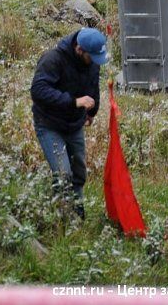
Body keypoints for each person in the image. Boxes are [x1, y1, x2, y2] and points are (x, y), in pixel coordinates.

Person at [30, 27, 108, 219]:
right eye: (92, 57)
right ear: (79, 50)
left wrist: (92, 111)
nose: (95, 63)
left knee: (79, 170)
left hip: (74, 124)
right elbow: (38, 90)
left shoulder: (92, 62)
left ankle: (78, 211)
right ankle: (61, 216)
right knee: (63, 173)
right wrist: (74, 101)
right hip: (49, 125)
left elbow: (93, 86)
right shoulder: (53, 60)